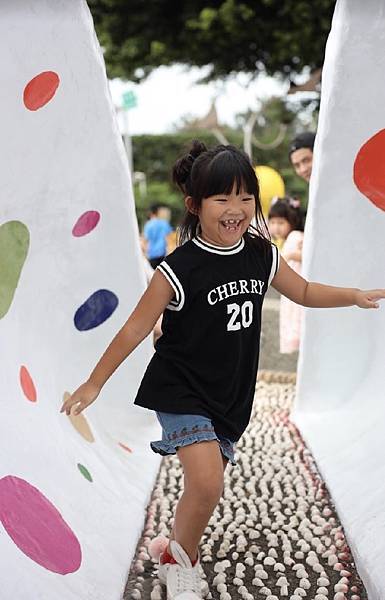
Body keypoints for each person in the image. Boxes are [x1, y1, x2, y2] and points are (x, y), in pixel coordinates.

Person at [60, 140, 385, 600]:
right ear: (195, 204)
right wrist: (94, 382)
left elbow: (306, 291)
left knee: (205, 485)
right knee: (208, 480)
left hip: (229, 394)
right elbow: (136, 328)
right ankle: (180, 562)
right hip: (180, 388)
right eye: (222, 198)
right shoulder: (177, 268)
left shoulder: (262, 254)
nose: (236, 209)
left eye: (245, 198)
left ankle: (172, 544)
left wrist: (351, 295)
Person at [268, 196, 305, 353]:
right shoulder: (285, 240)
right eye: (273, 222)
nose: (276, 227)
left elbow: (305, 255)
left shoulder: (296, 237)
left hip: (298, 287)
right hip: (292, 289)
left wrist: (290, 255)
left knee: (296, 319)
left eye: (281, 223)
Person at [143, 203, 173, 269]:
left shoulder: (148, 225)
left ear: (150, 213)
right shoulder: (164, 224)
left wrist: (145, 254)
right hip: (162, 255)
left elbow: (145, 241)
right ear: (157, 212)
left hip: (152, 255)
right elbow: (169, 239)